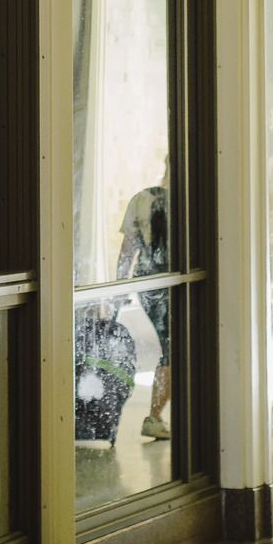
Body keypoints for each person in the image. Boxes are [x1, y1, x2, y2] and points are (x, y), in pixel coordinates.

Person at [116, 169, 171, 441]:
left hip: (147, 285)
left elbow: (127, 251)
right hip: (168, 284)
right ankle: (154, 416)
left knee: (171, 348)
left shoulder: (142, 200)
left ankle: (157, 415)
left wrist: (119, 288)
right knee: (173, 350)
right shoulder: (186, 201)